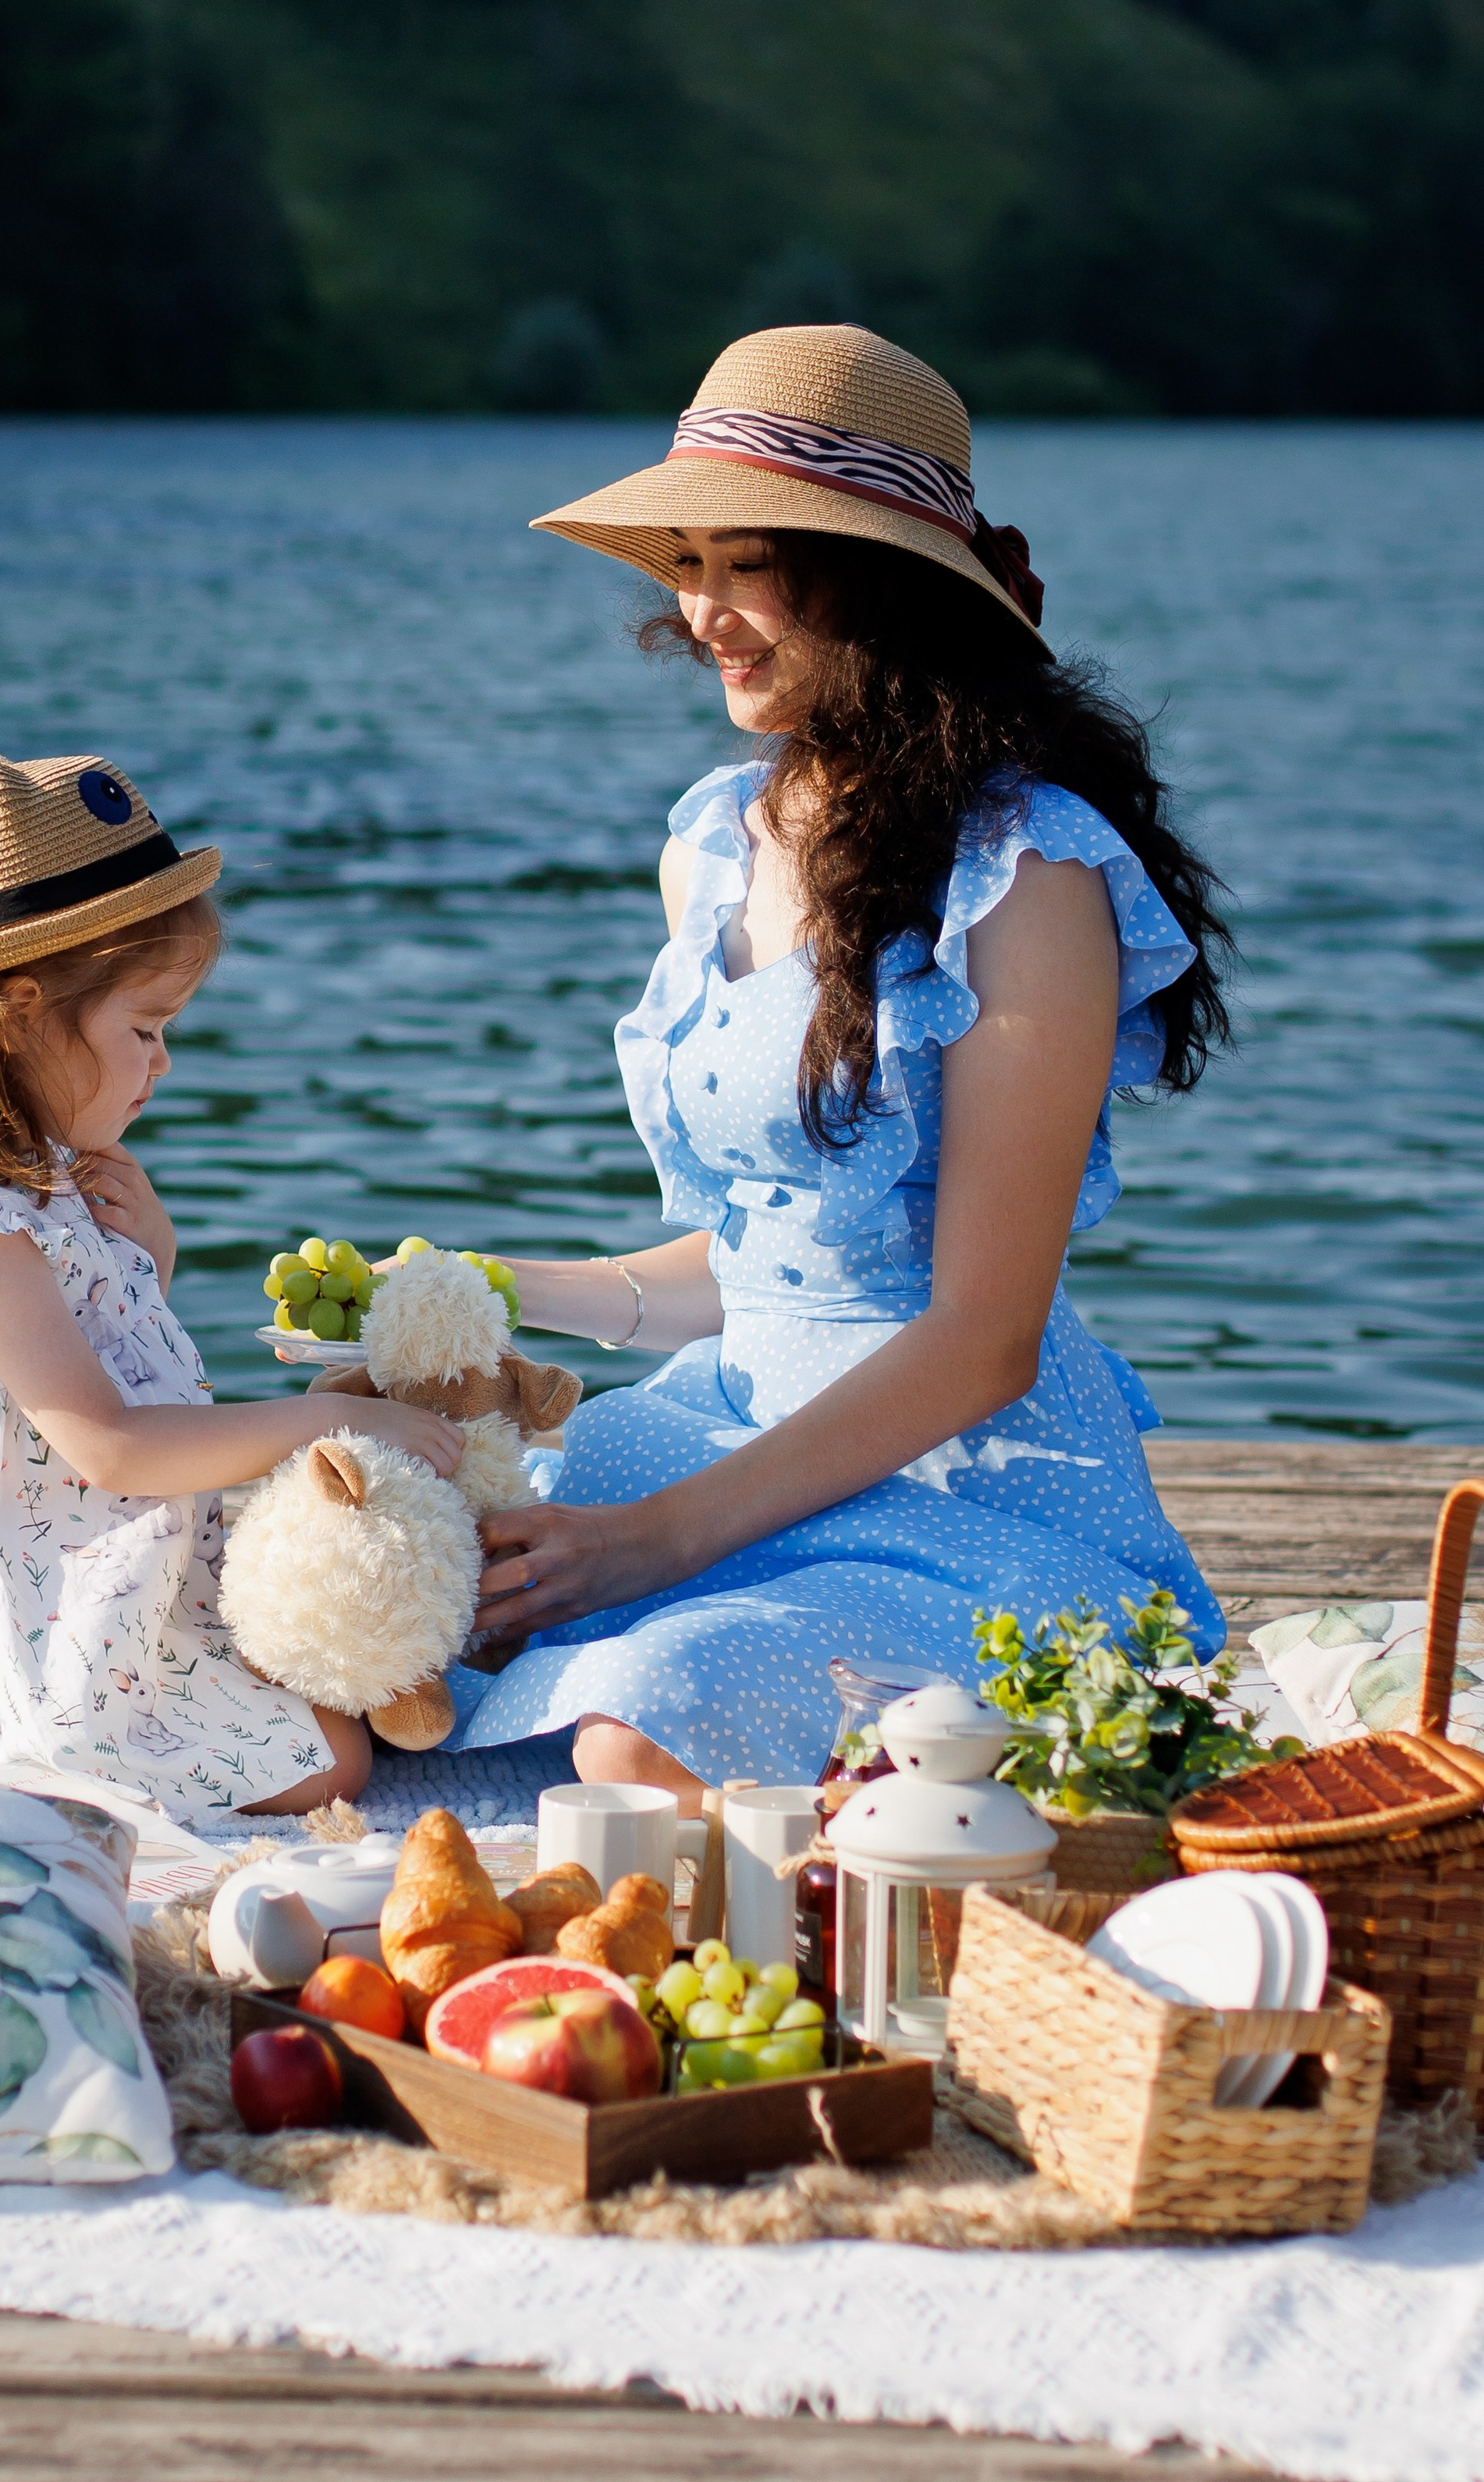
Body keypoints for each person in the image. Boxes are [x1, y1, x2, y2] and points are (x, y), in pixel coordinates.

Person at [443, 324, 1231, 1806]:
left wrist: (662, 1537)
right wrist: (476, 1297)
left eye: (754, 565)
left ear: (883, 579)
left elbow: (983, 1337)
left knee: (641, 1726)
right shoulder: (711, 840)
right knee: (396, 1621)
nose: (708, 613)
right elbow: (757, 1259)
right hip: (719, 1420)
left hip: (958, 1486)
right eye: (691, 564)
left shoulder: (1028, 874)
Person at [0, 750, 464, 1823]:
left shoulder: (48, 1187)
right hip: (62, 1612)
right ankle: (77, 1742)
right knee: (335, 1761)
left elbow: (113, 1361)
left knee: (356, 1642)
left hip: (134, 1559)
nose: (164, 1065)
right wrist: (314, 1416)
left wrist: (154, 1260)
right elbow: (111, 1445)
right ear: (25, 1009)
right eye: (145, 1031)